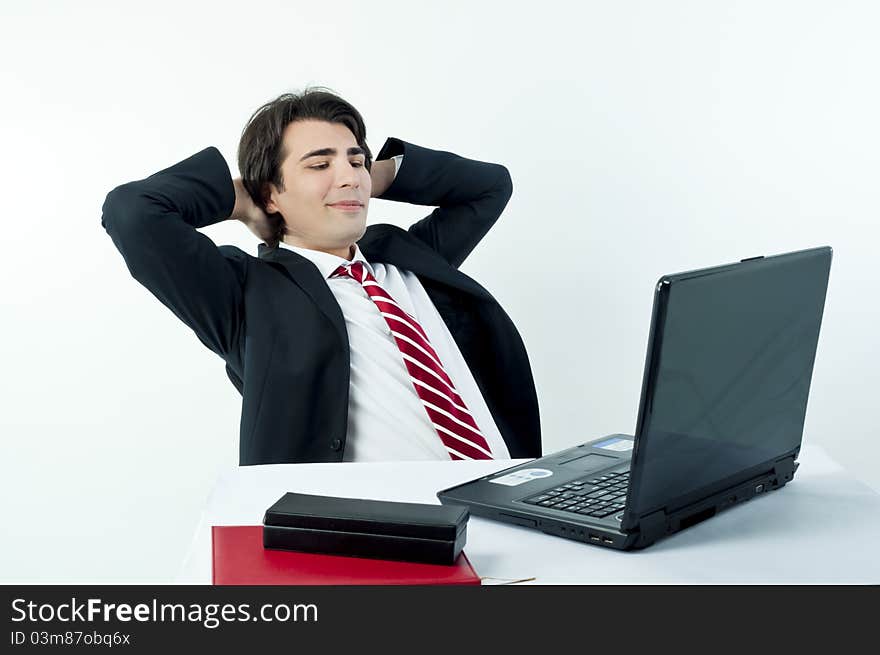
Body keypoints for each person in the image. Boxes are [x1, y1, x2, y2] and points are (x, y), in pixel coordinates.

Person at [101, 87, 541, 465]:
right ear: (272, 192)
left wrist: (371, 173)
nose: (348, 177)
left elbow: (490, 186)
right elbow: (132, 214)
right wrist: (243, 197)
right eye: (319, 164)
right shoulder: (246, 293)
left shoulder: (410, 257)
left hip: (511, 498)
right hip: (389, 535)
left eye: (354, 161)